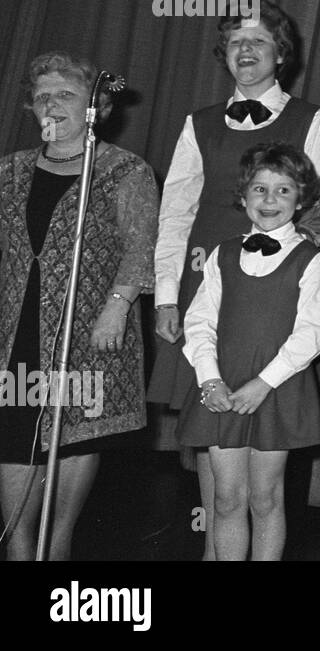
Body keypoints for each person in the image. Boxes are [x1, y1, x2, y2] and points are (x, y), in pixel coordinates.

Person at [150, 2, 320, 561]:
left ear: (281, 53)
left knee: (262, 472)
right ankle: (216, 550)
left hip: (276, 305)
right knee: (212, 437)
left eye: (259, 41)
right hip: (205, 293)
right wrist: (167, 295)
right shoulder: (200, 122)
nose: (248, 51)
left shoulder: (312, 120)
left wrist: (280, 260)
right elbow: (176, 213)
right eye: (236, 41)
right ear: (224, 54)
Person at [0, 52, 158, 560]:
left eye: (65, 94)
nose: (51, 103)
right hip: (15, 347)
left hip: (87, 343)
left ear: (97, 107)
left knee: (58, 521)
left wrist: (117, 305)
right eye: (42, 95)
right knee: (14, 510)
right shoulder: (11, 171)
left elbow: (142, 247)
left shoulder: (123, 170)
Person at [176, 143, 320, 560]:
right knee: (226, 498)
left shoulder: (309, 259)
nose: (269, 200)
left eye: (283, 191)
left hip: (275, 390)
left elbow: (313, 332)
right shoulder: (222, 254)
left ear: (300, 200)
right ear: (243, 197)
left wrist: (263, 383)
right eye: (260, 189)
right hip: (223, 388)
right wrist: (209, 379)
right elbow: (199, 321)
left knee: (265, 498)